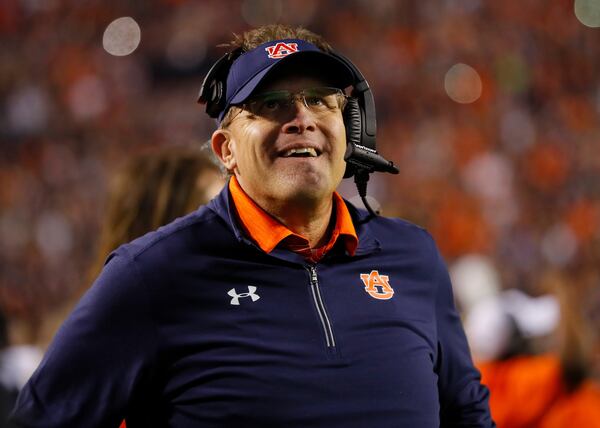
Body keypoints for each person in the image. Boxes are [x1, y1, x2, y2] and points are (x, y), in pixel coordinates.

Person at [11, 24, 494, 427]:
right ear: (226, 150)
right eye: (271, 104)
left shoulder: (414, 256)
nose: (302, 118)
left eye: (321, 101)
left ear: (349, 133)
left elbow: (467, 415)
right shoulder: (151, 274)